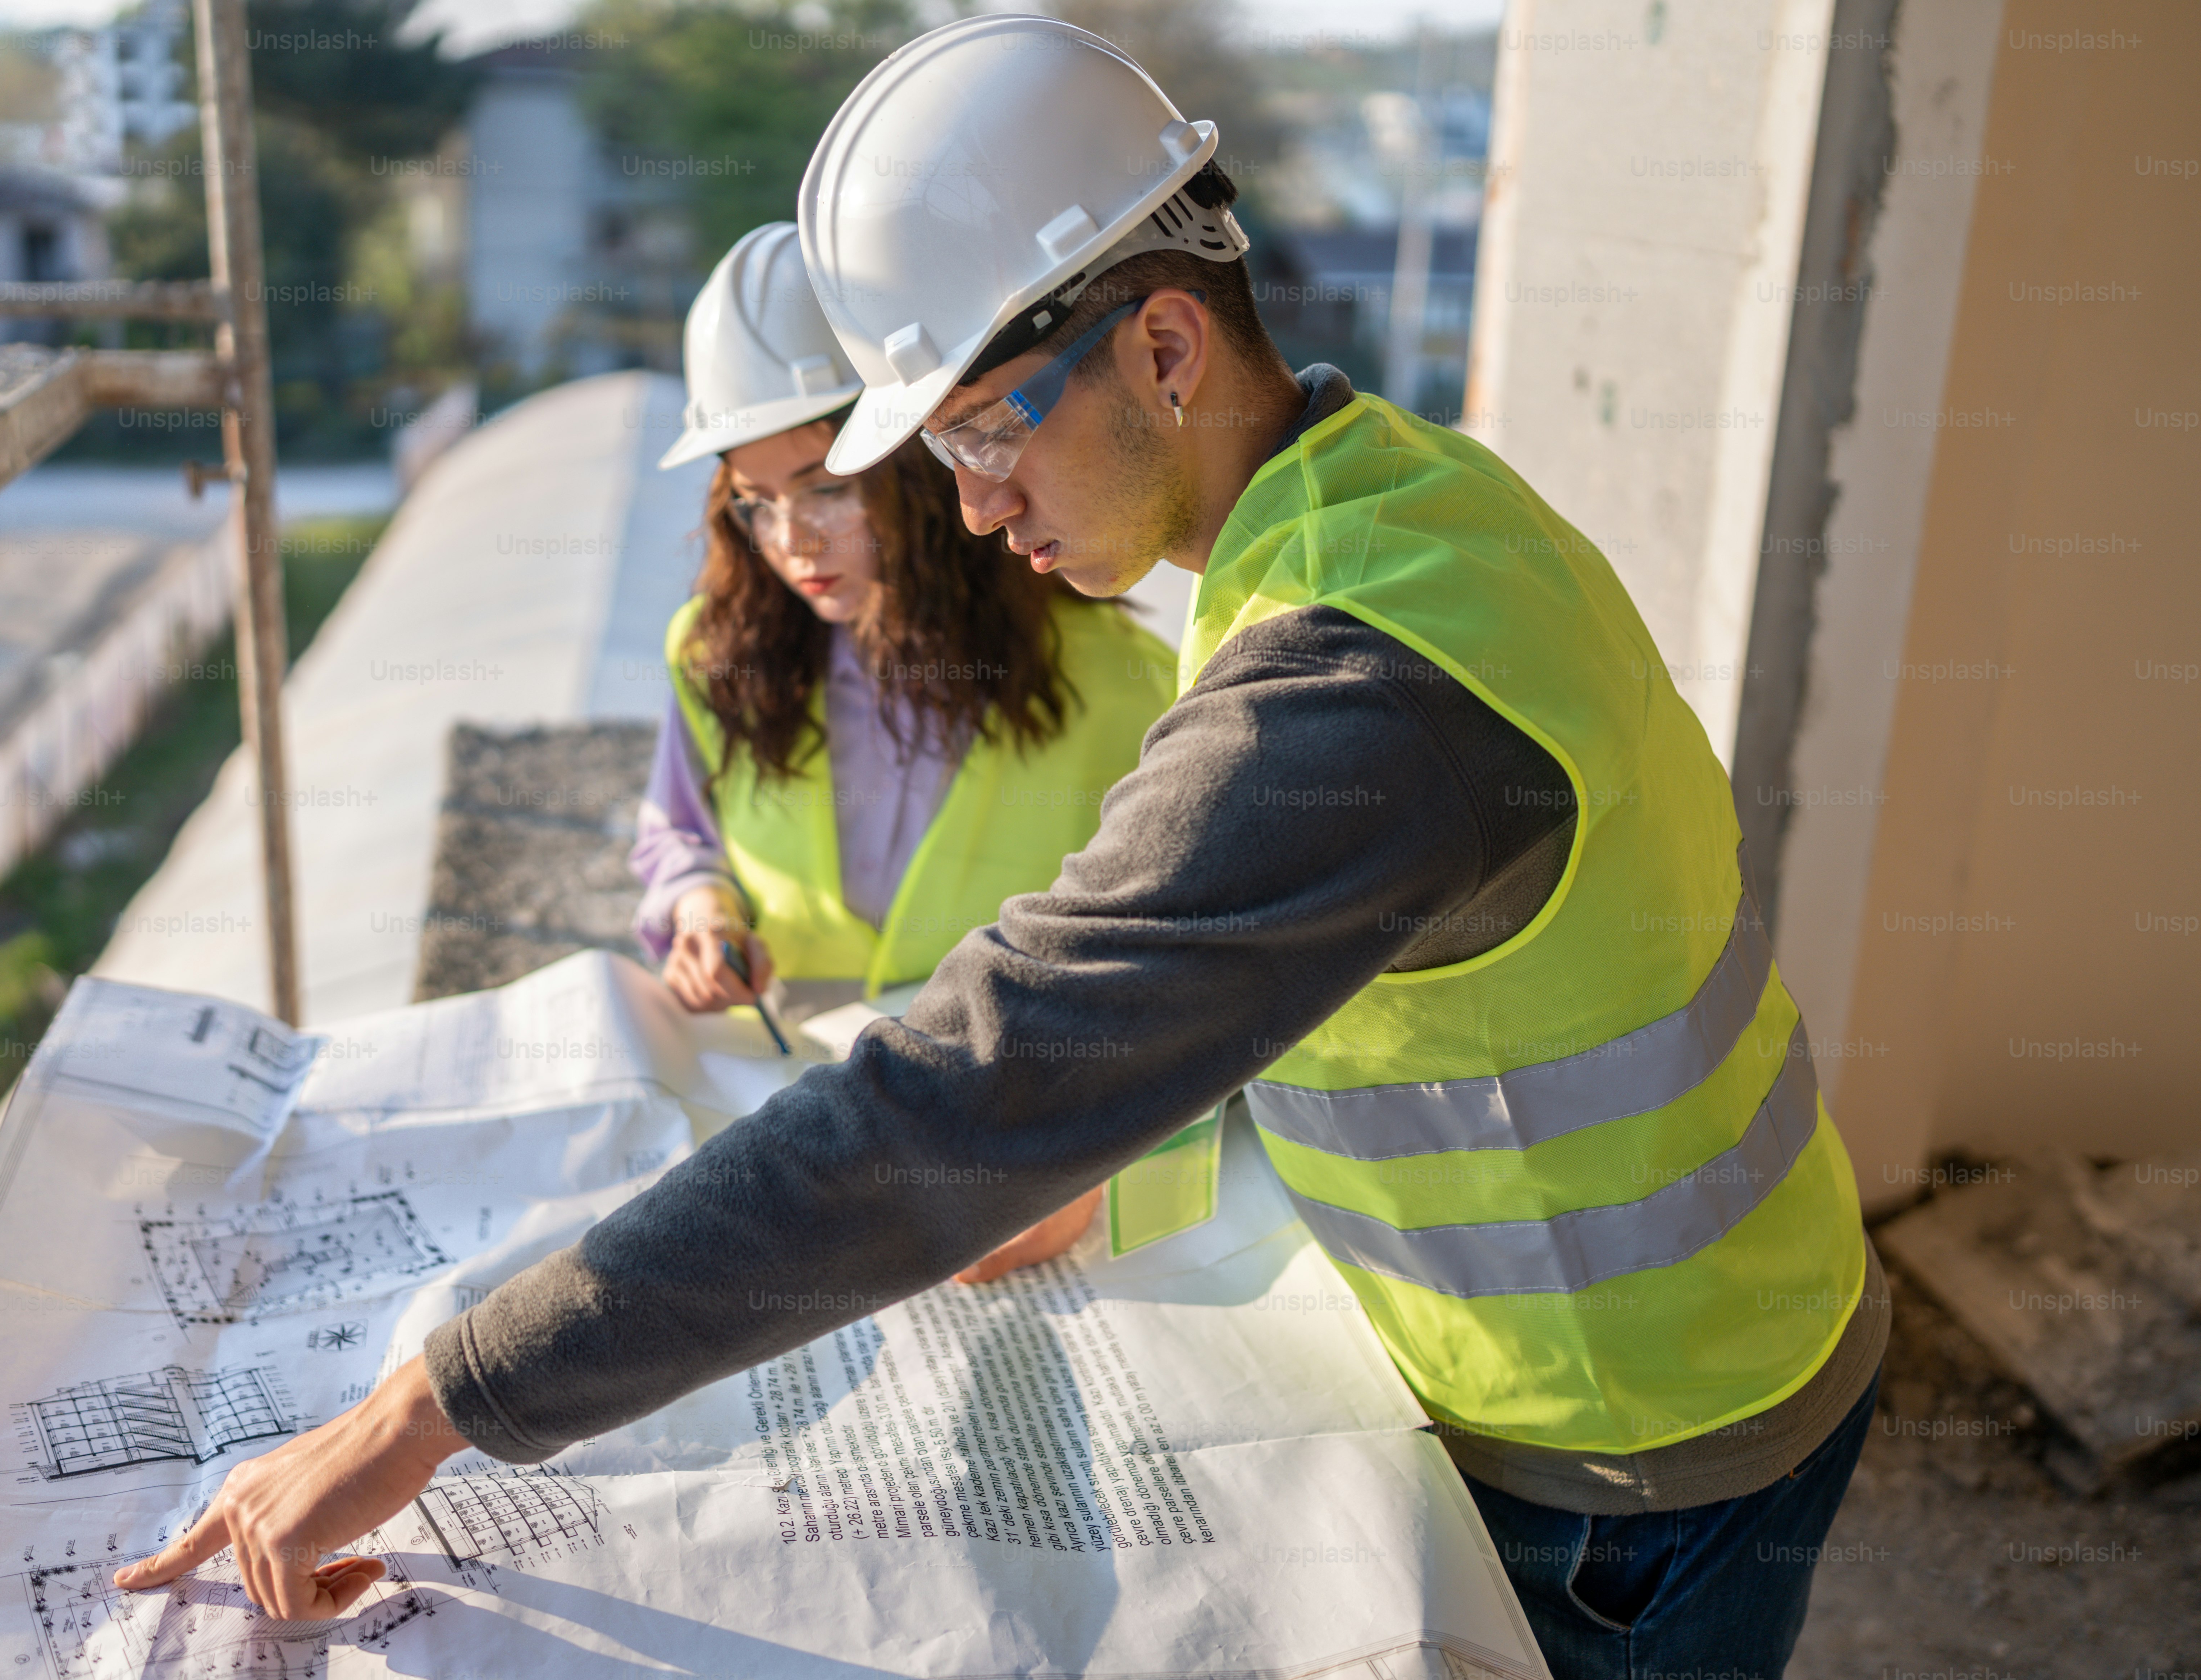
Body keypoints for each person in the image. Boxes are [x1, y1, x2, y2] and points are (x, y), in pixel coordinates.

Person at [120, 21, 1882, 1680]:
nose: (965, 507)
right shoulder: (1383, 505)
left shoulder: (1355, 691)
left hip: (1637, 1453)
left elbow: (945, 1108)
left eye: (978, 432)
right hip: (1684, 1337)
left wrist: (428, 1405)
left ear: (1166, 348)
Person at [632, 223, 1177, 1038]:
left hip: (1008, 1087)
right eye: (757, 503)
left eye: (826, 490)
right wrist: (702, 907)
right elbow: (682, 831)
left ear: (927, 462)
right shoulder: (714, 652)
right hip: (789, 1080)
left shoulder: (1124, 680)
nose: (793, 542)